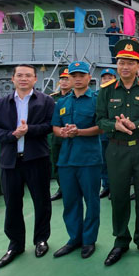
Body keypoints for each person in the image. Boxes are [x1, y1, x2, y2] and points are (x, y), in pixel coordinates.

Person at [0, 64, 55, 269]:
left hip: (36, 159)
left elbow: (51, 125)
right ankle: (15, 245)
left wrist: (29, 130)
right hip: (10, 161)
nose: (23, 79)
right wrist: (11, 135)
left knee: (41, 202)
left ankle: (41, 240)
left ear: (35, 79)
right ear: (13, 79)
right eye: (20, 75)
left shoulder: (46, 101)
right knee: (12, 204)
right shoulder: (0, 104)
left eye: (28, 76)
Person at [95, 39, 139, 266]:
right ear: (117, 65)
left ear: (138, 65)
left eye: (131, 63)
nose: (125, 67)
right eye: (121, 62)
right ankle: (121, 241)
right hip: (117, 149)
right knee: (119, 196)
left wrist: (135, 125)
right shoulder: (106, 91)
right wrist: (115, 126)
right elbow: (100, 119)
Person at [51, 61, 103, 259]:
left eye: (82, 75)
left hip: (89, 159)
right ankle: (74, 238)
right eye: (74, 76)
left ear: (89, 78)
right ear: (69, 79)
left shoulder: (96, 101)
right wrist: (62, 132)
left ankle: (89, 240)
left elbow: (102, 127)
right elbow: (55, 126)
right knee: (71, 201)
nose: (78, 79)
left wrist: (79, 132)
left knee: (91, 201)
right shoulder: (62, 103)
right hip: (67, 160)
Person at [50, 68, 73, 201]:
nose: (64, 82)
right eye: (62, 79)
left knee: (71, 164)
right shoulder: (53, 98)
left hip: (71, 135)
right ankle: (61, 188)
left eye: (67, 79)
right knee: (57, 163)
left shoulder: (74, 97)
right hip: (56, 136)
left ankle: (71, 188)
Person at [98, 68, 117, 199]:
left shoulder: (120, 94)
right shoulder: (97, 95)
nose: (107, 80)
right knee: (104, 162)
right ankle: (106, 186)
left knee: (117, 163)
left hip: (117, 135)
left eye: (110, 77)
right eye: (104, 78)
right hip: (102, 134)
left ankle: (116, 188)